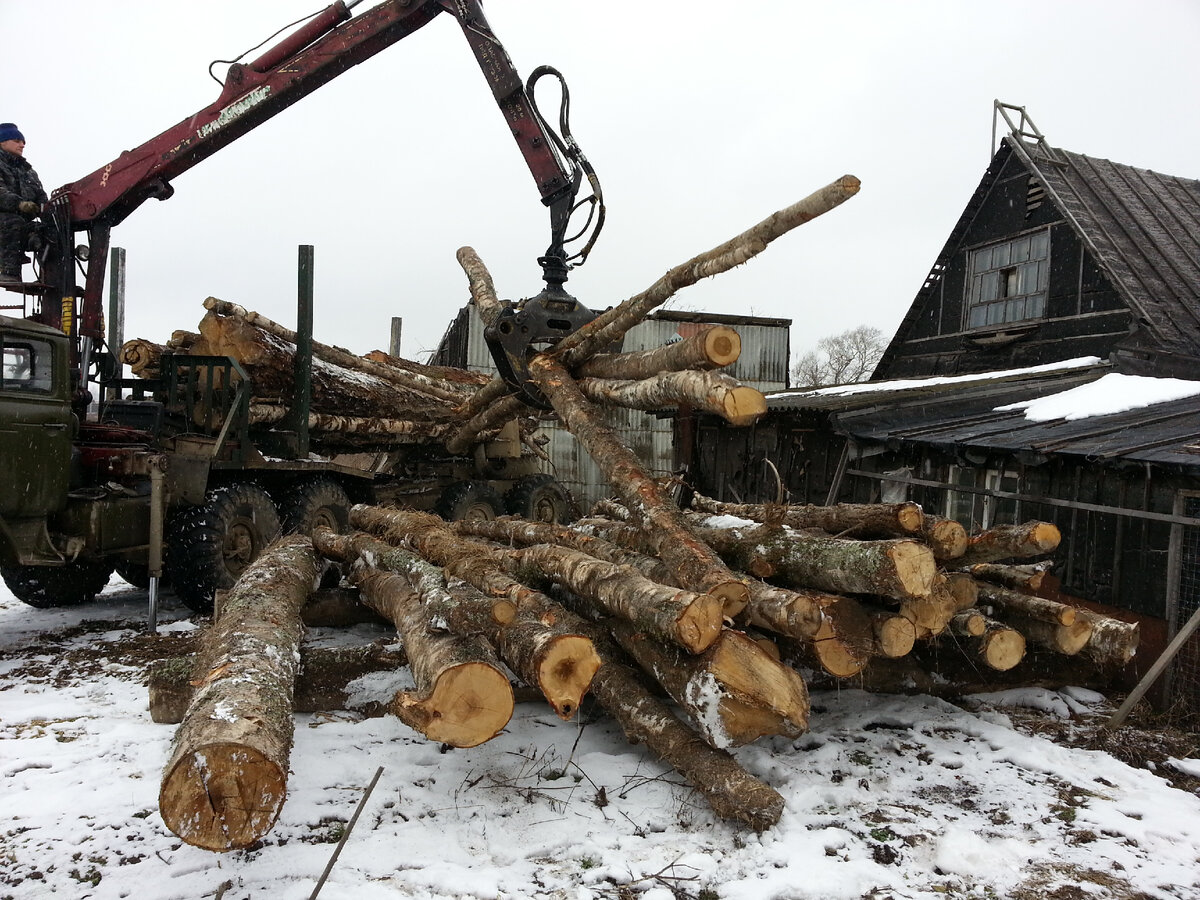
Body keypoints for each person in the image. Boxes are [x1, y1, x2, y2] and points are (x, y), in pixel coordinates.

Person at [0, 122, 47, 285]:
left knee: (50, 232)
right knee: (13, 222)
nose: (22, 145)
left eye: (23, 142)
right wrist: (20, 204)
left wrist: (48, 209)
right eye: (17, 141)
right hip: (4, 221)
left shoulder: (28, 171)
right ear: (2, 142)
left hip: (21, 222)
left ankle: (50, 277)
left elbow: (41, 195)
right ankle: (8, 272)